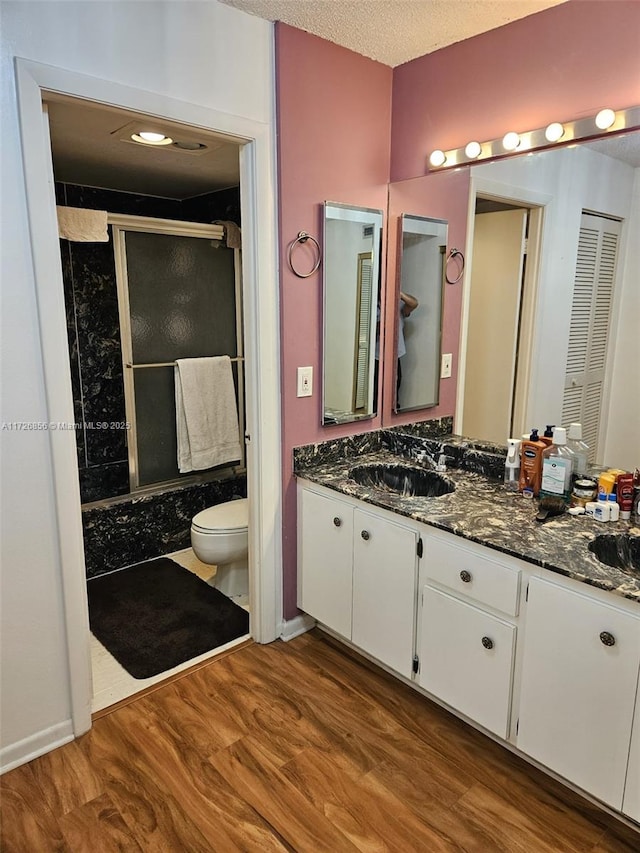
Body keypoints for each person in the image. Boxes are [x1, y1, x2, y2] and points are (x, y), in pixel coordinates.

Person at [397, 291, 418, 405]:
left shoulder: (397, 305)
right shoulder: (372, 307)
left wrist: (400, 294)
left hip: (394, 355)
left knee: (395, 388)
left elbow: (414, 303)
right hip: (374, 356)